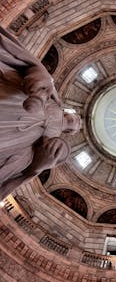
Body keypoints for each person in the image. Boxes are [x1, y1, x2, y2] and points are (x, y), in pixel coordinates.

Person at [0, 26, 81, 201]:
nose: (75, 122)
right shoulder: (54, 98)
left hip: (17, 136)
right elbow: (36, 71)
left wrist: (44, 162)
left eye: (75, 125)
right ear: (69, 112)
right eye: (76, 119)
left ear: (69, 132)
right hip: (14, 100)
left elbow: (40, 161)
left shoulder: (53, 138)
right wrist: (38, 86)